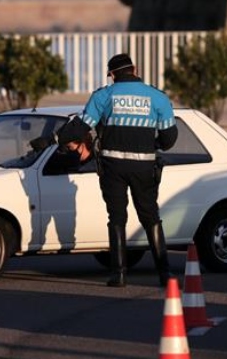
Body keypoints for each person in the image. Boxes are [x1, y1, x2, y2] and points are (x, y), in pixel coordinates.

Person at [61, 53, 178, 287]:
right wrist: (150, 144)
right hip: (144, 166)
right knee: (150, 217)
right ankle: (165, 274)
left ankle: (119, 275)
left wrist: (55, 138)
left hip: (112, 166)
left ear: (112, 75)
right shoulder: (158, 97)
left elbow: (80, 127)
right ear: (134, 69)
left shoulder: (104, 96)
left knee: (116, 218)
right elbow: (168, 139)